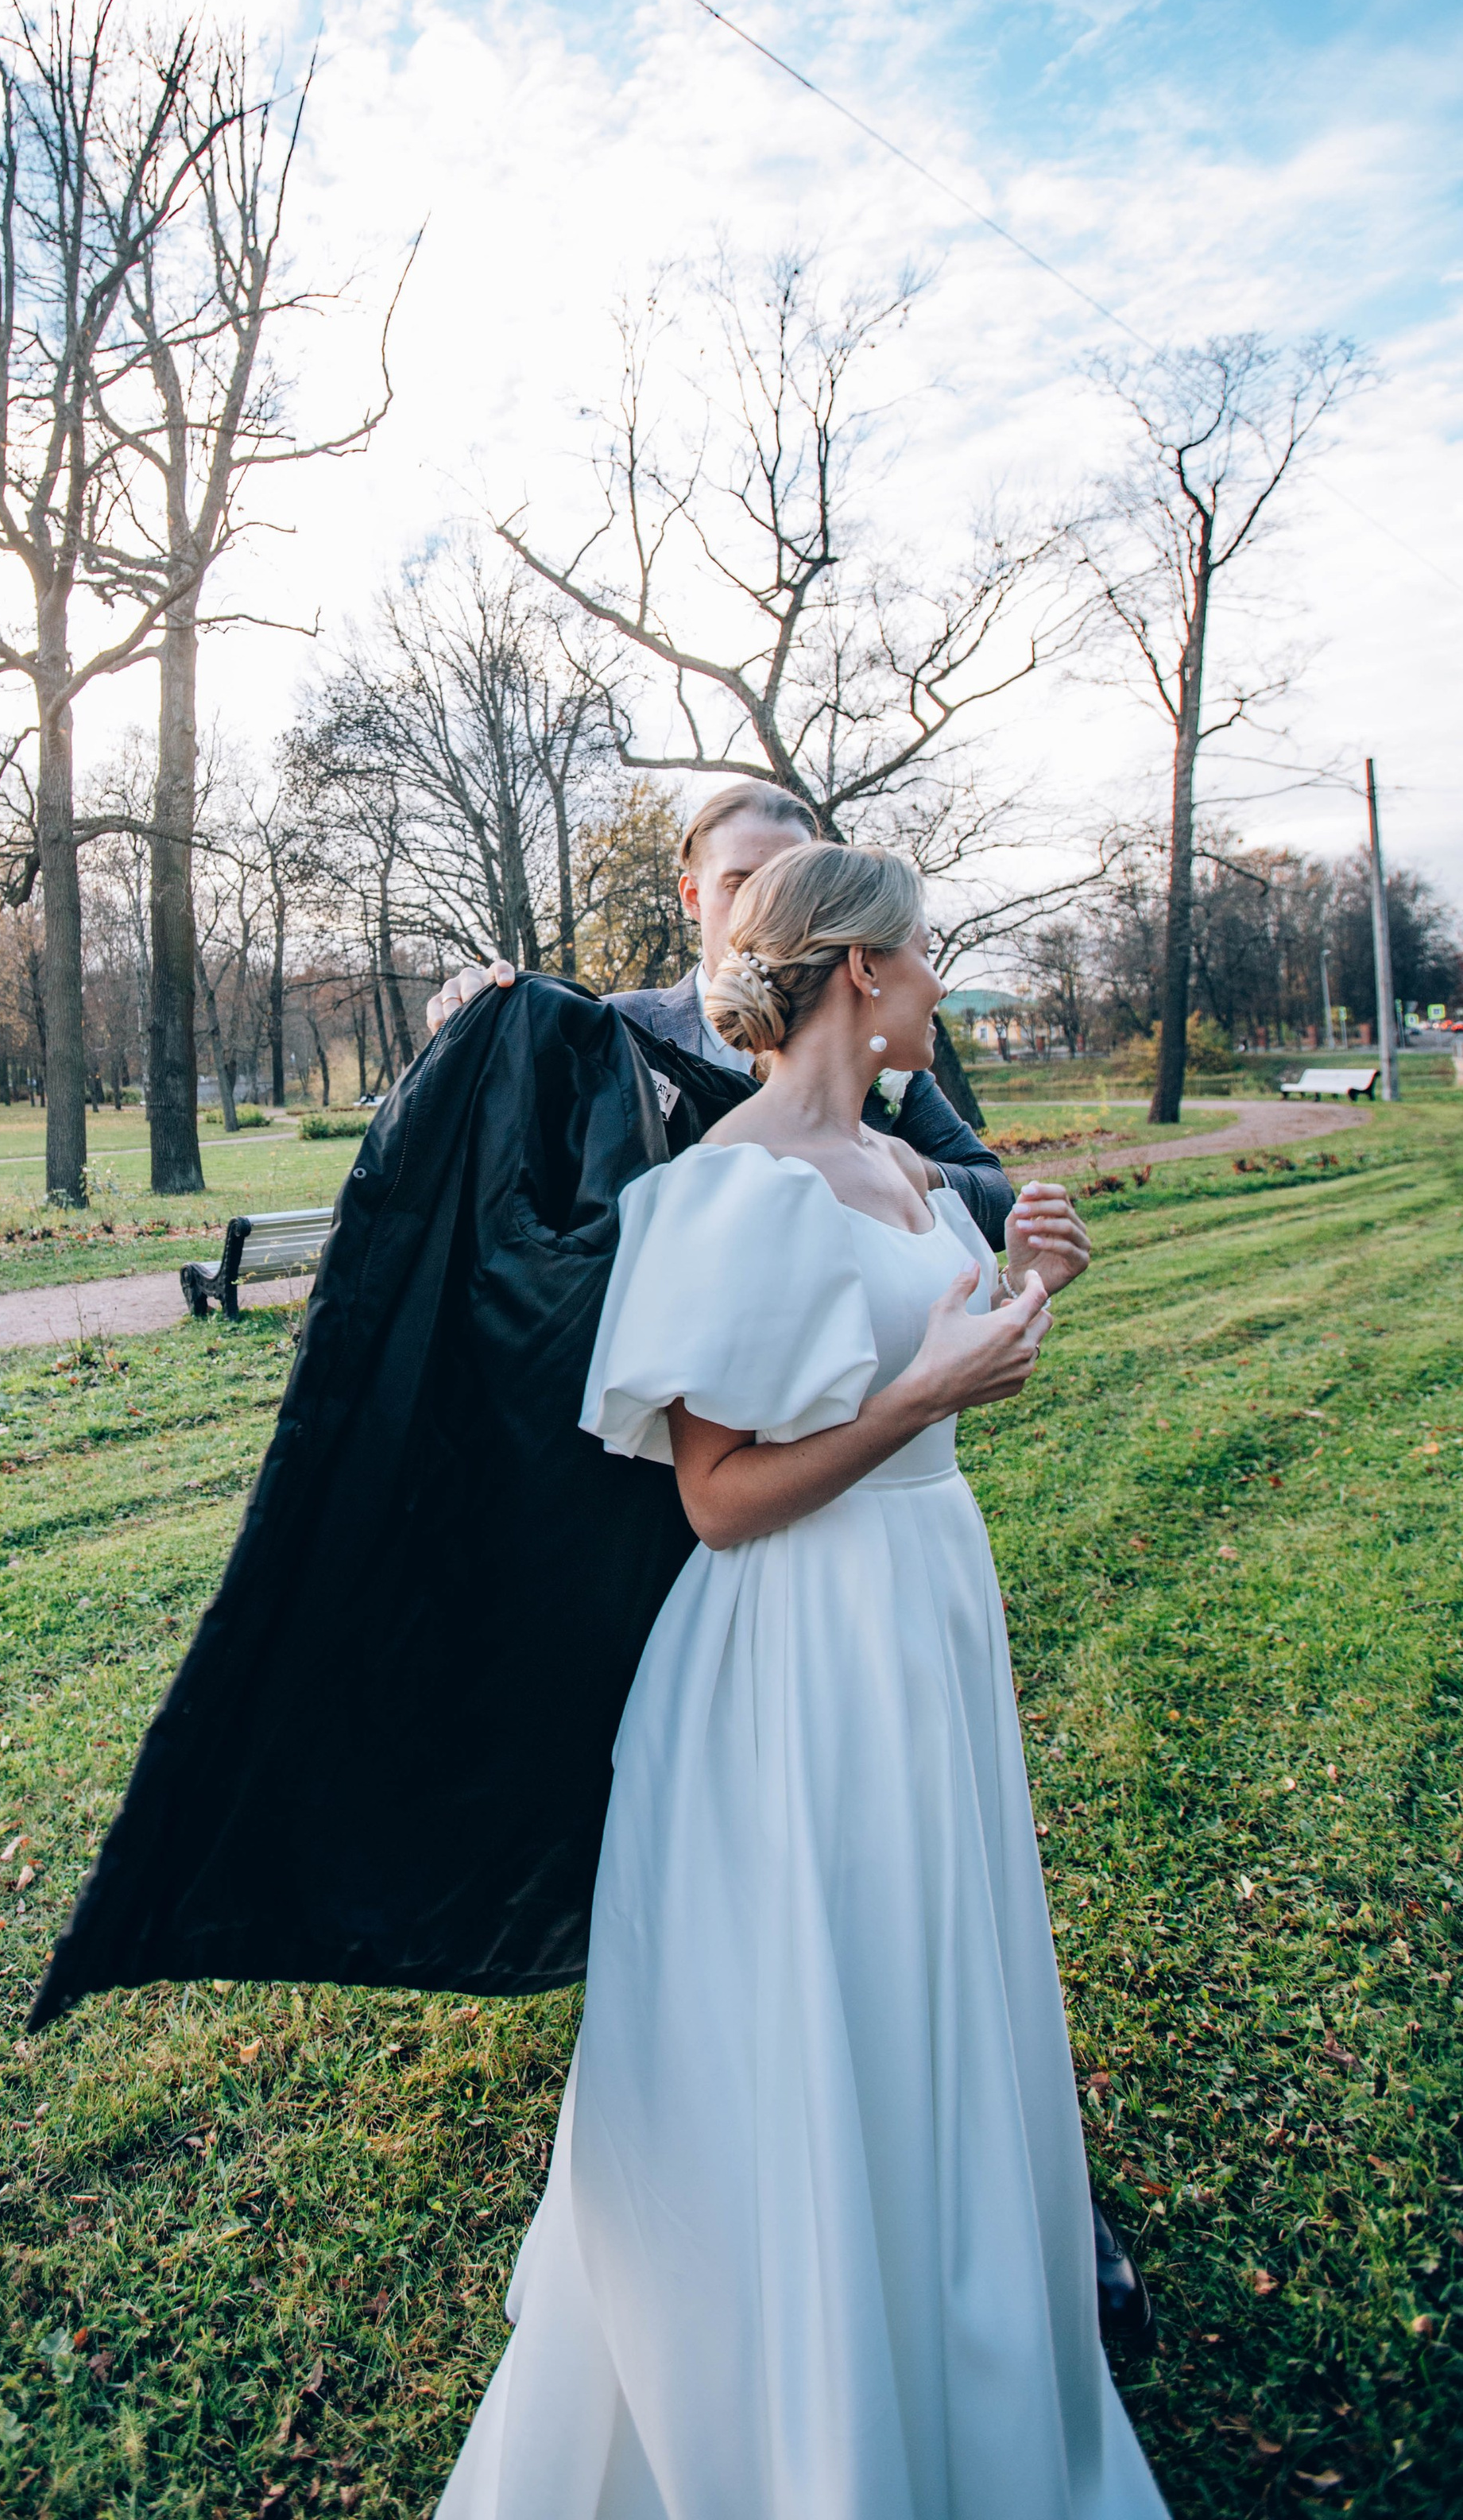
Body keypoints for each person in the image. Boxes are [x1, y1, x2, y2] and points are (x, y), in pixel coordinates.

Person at [438, 841, 1168, 2520]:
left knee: (924, 1977)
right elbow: (719, 1496)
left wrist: (1027, 1288)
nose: (939, 982)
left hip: (922, 1613)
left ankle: (944, 2328)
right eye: (924, 953)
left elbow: (917, 1372)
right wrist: (926, 1396)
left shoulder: (903, 1166)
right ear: (857, 971)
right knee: (811, 1999)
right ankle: (812, 2409)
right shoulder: (728, 1188)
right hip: (794, 1655)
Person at [430, 777, 1057, 1266]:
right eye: (742, 884)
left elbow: (992, 1193)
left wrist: (883, 1168)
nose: (773, 906)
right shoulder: (618, 1030)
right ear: (692, 897)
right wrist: (481, 1032)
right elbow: (513, 1192)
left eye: (796, 885)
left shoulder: (870, 1041)